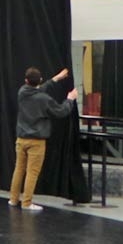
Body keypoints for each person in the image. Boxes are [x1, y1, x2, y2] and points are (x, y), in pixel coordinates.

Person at [9, 67, 78, 212]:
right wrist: (70, 100)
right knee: (32, 172)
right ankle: (27, 203)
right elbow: (61, 111)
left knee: (19, 169)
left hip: (21, 139)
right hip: (36, 141)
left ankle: (13, 199)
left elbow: (37, 90)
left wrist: (56, 78)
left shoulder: (22, 92)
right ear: (40, 80)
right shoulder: (44, 99)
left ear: (26, 81)